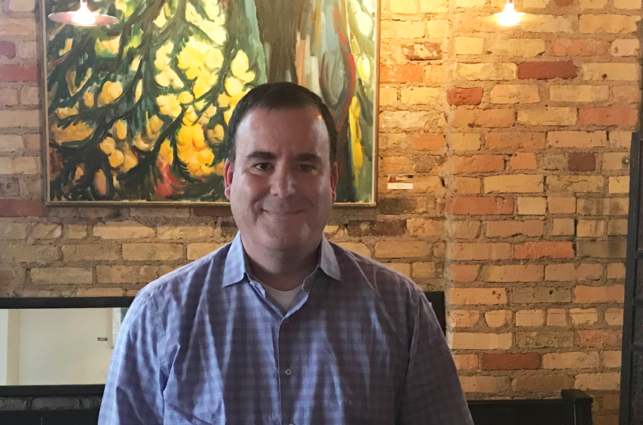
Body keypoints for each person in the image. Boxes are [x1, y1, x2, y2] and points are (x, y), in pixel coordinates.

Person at [98, 82, 473, 425]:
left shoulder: (400, 308)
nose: (283, 187)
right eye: (262, 164)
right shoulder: (159, 314)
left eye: (306, 165)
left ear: (332, 181)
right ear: (230, 180)